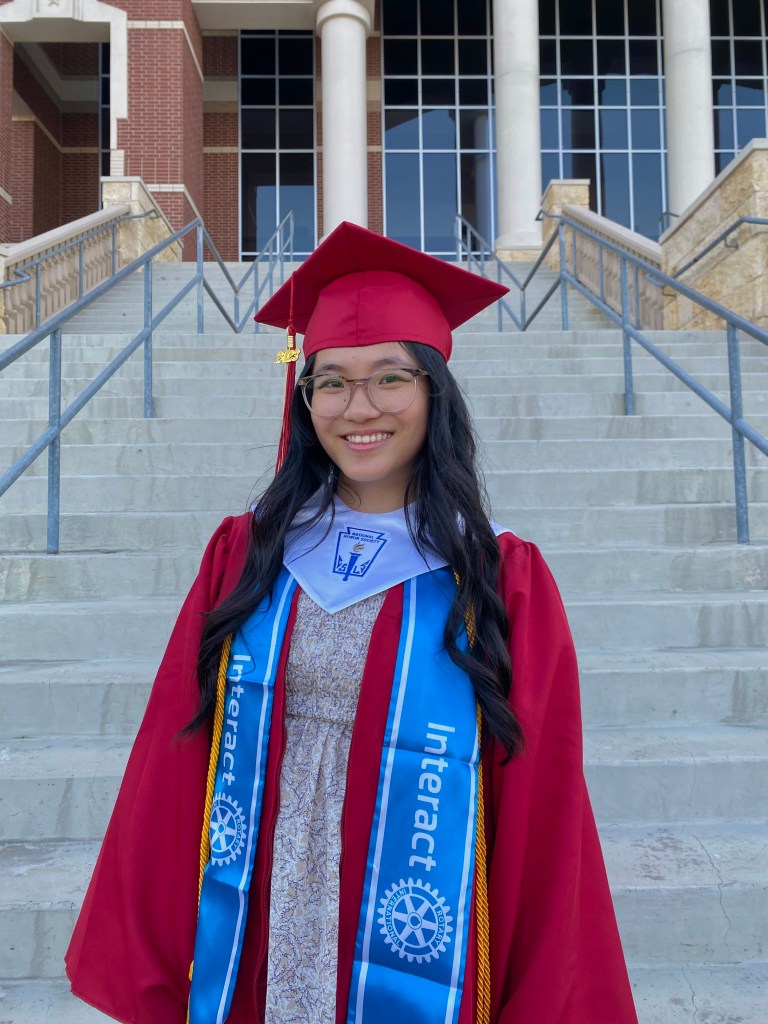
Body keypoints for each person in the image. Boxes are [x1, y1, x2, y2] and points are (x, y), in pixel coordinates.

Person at [66, 222, 639, 1024]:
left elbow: (544, 816)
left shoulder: (499, 581)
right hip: (264, 912)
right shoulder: (248, 555)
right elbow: (174, 752)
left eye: (388, 379)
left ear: (434, 390)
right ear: (303, 398)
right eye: (329, 381)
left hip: (414, 925)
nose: (357, 408)